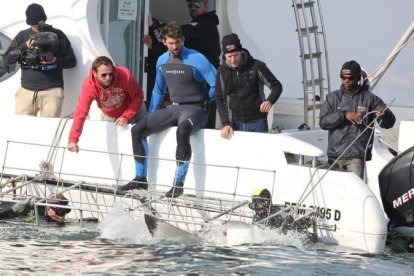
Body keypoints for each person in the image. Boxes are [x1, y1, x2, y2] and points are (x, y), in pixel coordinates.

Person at [125, 22, 216, 197]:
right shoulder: (162, 60)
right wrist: (151, 114)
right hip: (173, 108)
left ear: (183, 39)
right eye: (171, 43)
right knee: (137, 130)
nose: (175, 47)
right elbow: (158, 91)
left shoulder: (197, 58)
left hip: (196, 110)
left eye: (178, 42)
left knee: (182, 131)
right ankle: (140, 179)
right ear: (164, 41)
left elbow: (216, 84)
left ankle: (178, 184)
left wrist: (205, 101)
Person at [143, 0, 220, 128]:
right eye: (190, 5)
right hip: (187, 90)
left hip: (205, 81)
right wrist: (153, 46)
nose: (193, 8)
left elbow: (179, 32)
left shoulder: (207, 23)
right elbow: (173, 48)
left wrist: (155, 26)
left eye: (197, 4)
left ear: (206, 6)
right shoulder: (172, 51)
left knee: (204, 130)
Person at [319, 60, 396, 179]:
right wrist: (344, 115)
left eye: (350, 78)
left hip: (357, 156)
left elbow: (389, 123)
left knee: (354, 192)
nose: (346, 81)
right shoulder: (332, 98)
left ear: (358, 78)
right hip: (335, 155)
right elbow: (323, 122)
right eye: (343, 78)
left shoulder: (370, 99)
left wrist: (384, 114)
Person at [3, 3, 77, 117]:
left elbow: (72, 61)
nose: (37, 26)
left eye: (40, 22)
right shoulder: (23, 36)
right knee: (22, 129)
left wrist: (56, 61)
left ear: (44, 19)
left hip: (51, 92)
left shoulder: (58, 35)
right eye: (34, 24)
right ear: (29, 22)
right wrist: (25, 46)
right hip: (26, 91)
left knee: (49, 131)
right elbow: (8, 58)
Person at [67, 56, 145, 153]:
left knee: (143, 137)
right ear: (94, 73)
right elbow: (81, 112)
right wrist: (73, 139)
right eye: (104, 75)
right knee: (111, 144)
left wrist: (126, 116)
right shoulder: (89, 86)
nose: (108, 78)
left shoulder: (124, 75)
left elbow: (138, 96)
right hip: (110, 114)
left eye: (110, 74)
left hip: (134, 110)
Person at [215, 33, 283, 139]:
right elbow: (220, 99)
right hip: (235, 123)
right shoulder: (222, 71)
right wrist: (225, 124)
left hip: (258, 122)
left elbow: (277, 86)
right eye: (229, 57)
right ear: (224, 56)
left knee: (258, 155)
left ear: (241, 52)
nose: (233, 60)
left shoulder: (257, 66)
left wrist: (269, 101)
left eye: (235, 55)